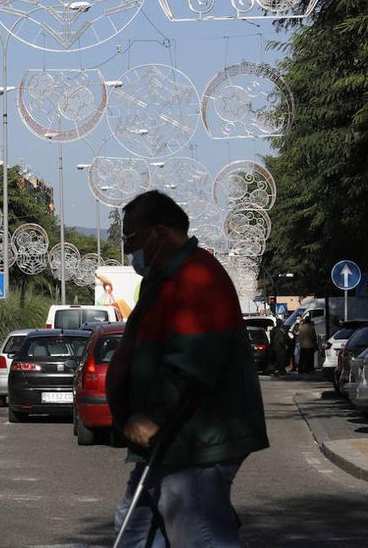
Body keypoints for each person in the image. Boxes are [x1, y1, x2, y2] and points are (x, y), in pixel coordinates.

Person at [106, 190, 269, 547]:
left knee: (197, 531)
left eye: (131, 238)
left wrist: (152, 417)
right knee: (134, 527)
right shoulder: (163, 279)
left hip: (194, 439)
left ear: (159, 233)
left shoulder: (196, 278)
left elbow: (191, 361)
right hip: (172, 441)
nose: (128, 248)